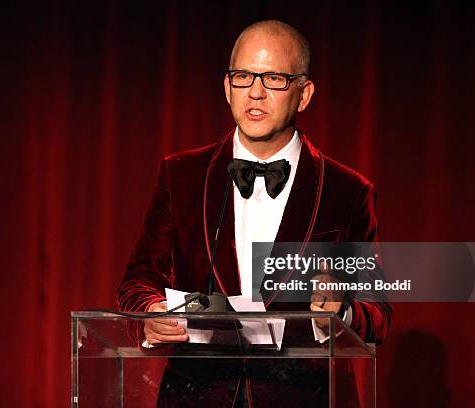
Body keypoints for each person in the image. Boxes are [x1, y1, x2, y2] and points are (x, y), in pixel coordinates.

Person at [117, 19, 391, 407]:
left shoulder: (347, 191)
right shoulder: (182, 176)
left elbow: (377, 311)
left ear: (304, 93)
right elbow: (138, 282)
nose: (256, 94)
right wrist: (152, 313)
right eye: (244, 77)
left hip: (305, 396)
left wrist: (341, 309)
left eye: (274, 78)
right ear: (227, 88)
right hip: (198, 394)